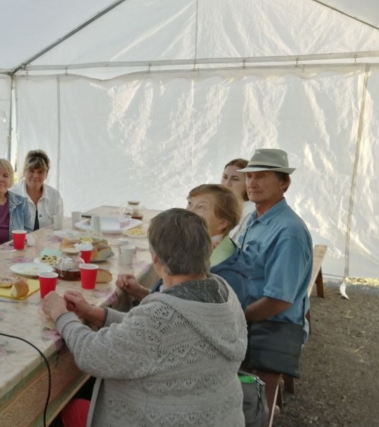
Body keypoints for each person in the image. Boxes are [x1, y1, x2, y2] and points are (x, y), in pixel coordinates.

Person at [43, 209, 247, 427]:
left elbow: (92, 354)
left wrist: (61, 314)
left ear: (156, 260)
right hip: (221, 417)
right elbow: (161, 333)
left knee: (60, 409)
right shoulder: (224, 292)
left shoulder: (159, 320)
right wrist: (96, 314)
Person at [119, 184, 250, 308]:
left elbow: (175, 318)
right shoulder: (199, 251)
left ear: (222, 223)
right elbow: (173, 306)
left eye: (201, 207)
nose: (188, 211)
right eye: (190, 204)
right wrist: (139, 291)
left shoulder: (225, 275)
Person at [236, 149, 312, 329]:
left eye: (261, 176)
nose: (252, 183)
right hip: (250, 319)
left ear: (283, 183)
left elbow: (278, 301)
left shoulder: (289, 231)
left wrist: (235, 318)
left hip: (273, 328)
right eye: (249, 176)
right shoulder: (252, 218)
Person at [11, 150, 64, 230]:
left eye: (40, 172)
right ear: (24, 172)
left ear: (46, 174)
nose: (35, 176)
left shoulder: (55, 195)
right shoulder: (12, 194)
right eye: (31, 171)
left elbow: (58, 227)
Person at [222, 158, 255, 240]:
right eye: (225, 177)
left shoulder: (250, 210)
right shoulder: (222, 206)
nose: (227, 184)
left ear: (248, 183)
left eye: (235, 179)